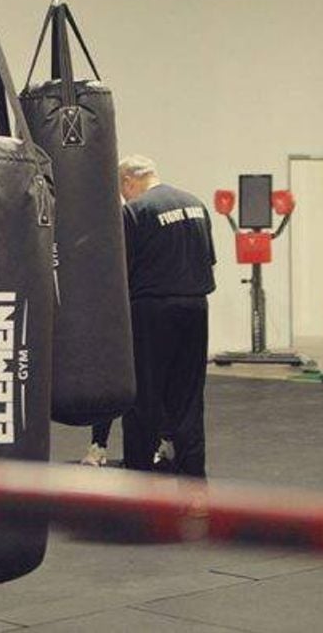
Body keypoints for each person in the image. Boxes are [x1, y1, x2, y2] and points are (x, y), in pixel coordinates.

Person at [117, 155, 216, 478]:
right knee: (188, 401)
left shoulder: (135, 210)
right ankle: (194, 484)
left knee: (143, 397)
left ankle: (139, 481)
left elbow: (120, 269)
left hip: (151, 311)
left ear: (128, 181)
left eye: (122, 188)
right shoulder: (196, 204)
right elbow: (209, 260)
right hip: (196, 307)